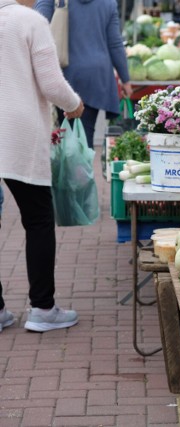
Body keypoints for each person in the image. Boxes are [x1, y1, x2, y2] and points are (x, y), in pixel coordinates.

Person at [0, 0, 84, 332]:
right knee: (37, 219)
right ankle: (43, 308)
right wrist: (74, 105)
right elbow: (50, 83)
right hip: (17, 133)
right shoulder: (30, 20)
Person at [34, 0, 133, 149]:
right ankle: (83, 168)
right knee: (85, 133)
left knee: (67, 133)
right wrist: (125, 79)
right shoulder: (108, 3)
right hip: (97, 75)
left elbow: (37, 27)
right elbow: (115, 43)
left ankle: (74, 169)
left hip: (65, 74)